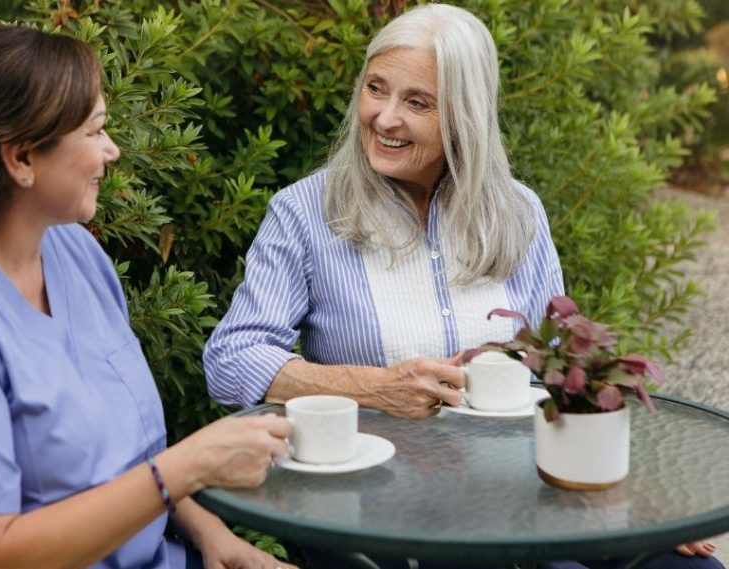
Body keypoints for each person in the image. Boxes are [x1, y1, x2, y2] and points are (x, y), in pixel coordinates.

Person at [203, 4, 721, 569]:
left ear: (465, 116)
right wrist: (374, 387)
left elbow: (560, 372)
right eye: (376, 89)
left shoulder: (518, 211)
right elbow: (231, 361)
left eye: (417, 102)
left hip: (524, 499)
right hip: (376, 517)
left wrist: (630, 503)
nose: (384, 118)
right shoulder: (304, 213)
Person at [0, 25, 297, 569]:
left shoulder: (72, 252)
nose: (111, 151)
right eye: (95, 132)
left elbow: (123, 460)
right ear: (21, 159)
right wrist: (186, 467)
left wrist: (213, 535)